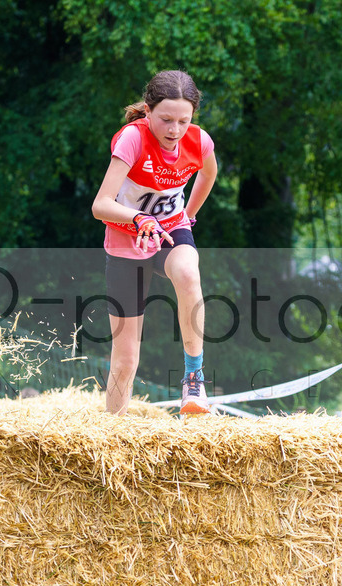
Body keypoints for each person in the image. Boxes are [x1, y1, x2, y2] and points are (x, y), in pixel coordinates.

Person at [91, 70, 217, 415]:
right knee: (125, 359)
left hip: (170, 232)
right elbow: (100, 205)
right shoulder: (133, 139)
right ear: (147, 111)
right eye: (166, 120)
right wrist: (138, 218)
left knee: (188, 273)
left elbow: (208, 173)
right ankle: (113, 433)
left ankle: (194, 379)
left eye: (183, 121)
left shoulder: (199, 141)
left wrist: (188, 215)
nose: (174, 130)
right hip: (126, 240)